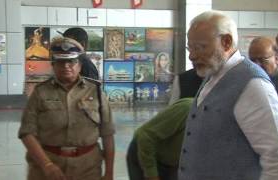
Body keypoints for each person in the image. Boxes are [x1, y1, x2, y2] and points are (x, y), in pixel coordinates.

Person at [179, 10, 278, 180]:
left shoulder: (252, 85)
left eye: (200, 47)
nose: (192, 55)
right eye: (190, 48)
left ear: (226, 42)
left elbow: (277, 158)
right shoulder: (213, 74)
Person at [18, 37, 115, 180]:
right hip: (47, 169)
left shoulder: (96, 92)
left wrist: (109, 173)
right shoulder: (40, 92)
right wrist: (47, 165)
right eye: (61, 61)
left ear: (80, 65)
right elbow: (27, 133)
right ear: (53, 65)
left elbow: (107, 135)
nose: (66, 66)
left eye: (72, 61)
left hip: (88, 168)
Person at [127, 98, 193, 180]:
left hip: (172, 164)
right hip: (144, 153)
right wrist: (151, 174)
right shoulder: (187, 109)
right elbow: (145, 136)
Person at [249, 36, 278, 113]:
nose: (257, 65)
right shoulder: (248, 82)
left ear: (276, 56)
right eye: (252, 60)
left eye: (262, 59)